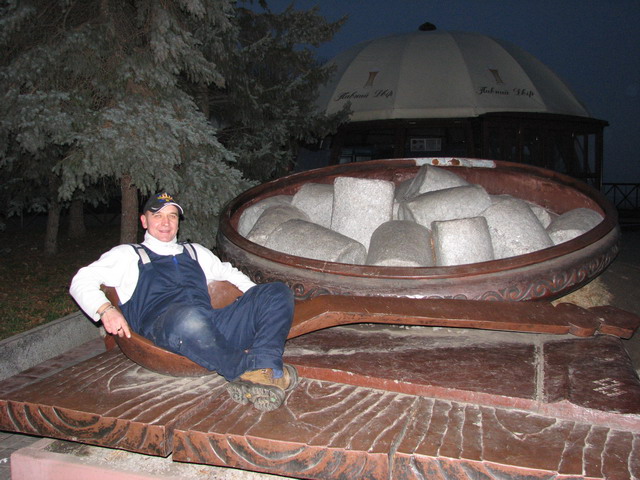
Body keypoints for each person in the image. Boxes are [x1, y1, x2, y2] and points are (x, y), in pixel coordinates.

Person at [70, 192, 297, 411]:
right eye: (157, 215)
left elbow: (231, 274)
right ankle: (254, 370)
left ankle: (264, 367)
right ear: (144, 221)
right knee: (189, 317)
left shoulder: (195, 252)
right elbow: (81, 280)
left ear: (178, 222)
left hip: (209, 328)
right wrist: (105, 309)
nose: (165, 222)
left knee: (277, 291)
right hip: (165, 331)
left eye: (172, 216)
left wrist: (260, 305)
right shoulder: (128, 255)